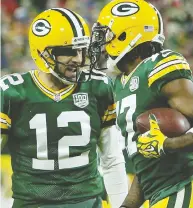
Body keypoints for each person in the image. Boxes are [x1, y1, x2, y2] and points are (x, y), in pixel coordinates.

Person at [0, 8, 128, 208]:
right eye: (68, 50)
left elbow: (111, 159)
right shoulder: (11, 93)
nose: (78, 58)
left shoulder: (98, 87)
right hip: (32, 203)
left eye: (81, 50)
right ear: (42, 53)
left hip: (87, 202)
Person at [88, 0, 193, 207]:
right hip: (162, 193)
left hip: (183, 185)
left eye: (107, 36)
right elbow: (146, 164)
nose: (102, 45)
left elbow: (162, 147)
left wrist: (170, 143)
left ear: (127, 35)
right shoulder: (120, 84)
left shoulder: (159, 66)